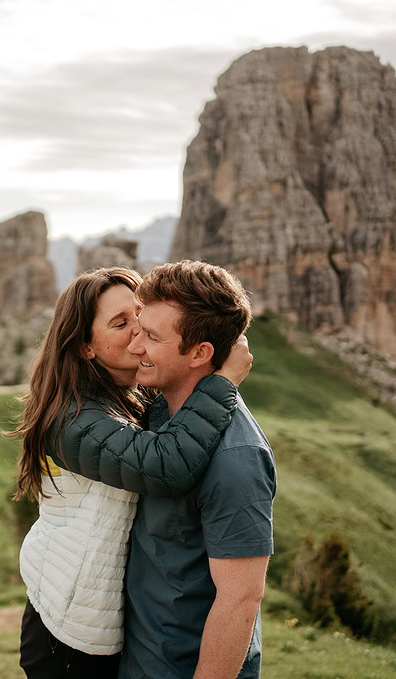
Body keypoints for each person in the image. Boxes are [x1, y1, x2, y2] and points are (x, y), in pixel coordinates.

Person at [13, 266, 253, 678]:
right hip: (70, 631)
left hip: (103, 623)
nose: (138, 333)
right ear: (86, 346)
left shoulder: (130, 400)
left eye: (140, 318)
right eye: (120, 323)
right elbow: (164, 466)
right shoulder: (74, 420)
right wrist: (223, 381)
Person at [118, 260, 276, 678]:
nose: (136, 347)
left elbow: (241, 599)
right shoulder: (157, 413)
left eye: (152, 337)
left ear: (200, 353)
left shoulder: (235, 457)